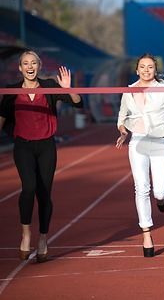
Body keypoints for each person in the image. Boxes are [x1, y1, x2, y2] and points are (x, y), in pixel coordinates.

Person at [0, 50, 84, 263]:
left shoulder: (49, 86)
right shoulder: (11, 91)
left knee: (45, 194)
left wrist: (68, 88)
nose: (30, 66)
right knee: (29, 188)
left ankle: (43, 239)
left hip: (47, 145)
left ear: (39, 66)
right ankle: (26, 234)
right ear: (20, 68)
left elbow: (77, 103)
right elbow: (2, 117)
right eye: (25, 63)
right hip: (23, 146)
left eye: (33, 63)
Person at [116, 53, 164, 257]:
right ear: (137, 70)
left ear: (155, 70)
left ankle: (162, 199)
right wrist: (123, 131)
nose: (146, 70)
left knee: (159, 192)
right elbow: (122, 117)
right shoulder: (128, 91)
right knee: (141, 188)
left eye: (150, 67)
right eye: (143, 67)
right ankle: (146, 233)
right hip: (137, 142)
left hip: (161, 141)